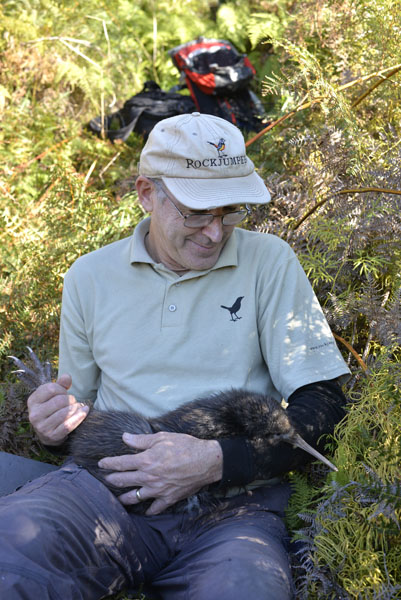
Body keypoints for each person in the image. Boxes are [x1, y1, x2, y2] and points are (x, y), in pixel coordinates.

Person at [0, 112, 350, 599]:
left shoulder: (269, 262)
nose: (215, 232)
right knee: (10, 553)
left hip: (234, 512)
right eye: (196, 212)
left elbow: (324, 403)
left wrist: (215, 461)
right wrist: (52, 426)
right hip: (104, 494)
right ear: (147, 193)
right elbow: (75, 418)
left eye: (230, 211)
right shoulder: (90, 277)